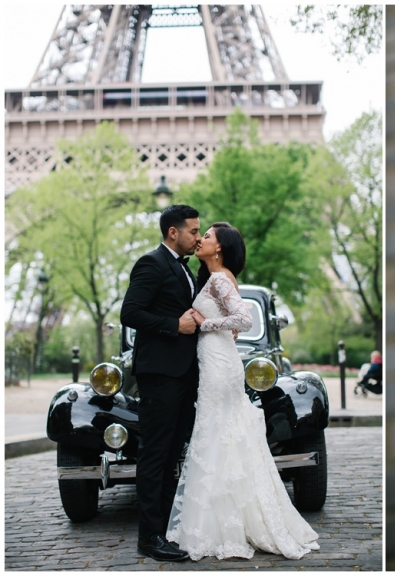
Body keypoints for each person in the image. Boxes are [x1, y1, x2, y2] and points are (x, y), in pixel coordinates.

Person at [166, 222, 319, 561]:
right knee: (220, 434)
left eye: (207, 236)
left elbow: (244, 319)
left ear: (219, 248)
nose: (201, 239)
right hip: (216, 360)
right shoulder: (214, 278)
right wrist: (216, 327)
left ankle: (219, 523)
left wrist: (208, 325)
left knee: (217, 432)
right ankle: (227, 518)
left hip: (219, 365)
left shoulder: (220, 278)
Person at [120, 204, 202, 562]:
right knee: (154, 454)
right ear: (174, 232)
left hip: (185, 374)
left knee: (172, 453)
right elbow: (130, 312)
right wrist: (174, 325)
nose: (197, 237)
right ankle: (149, 537)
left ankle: (167, 530)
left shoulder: (184, 268)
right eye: (194, 231)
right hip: (161, 375)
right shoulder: (151, 263)